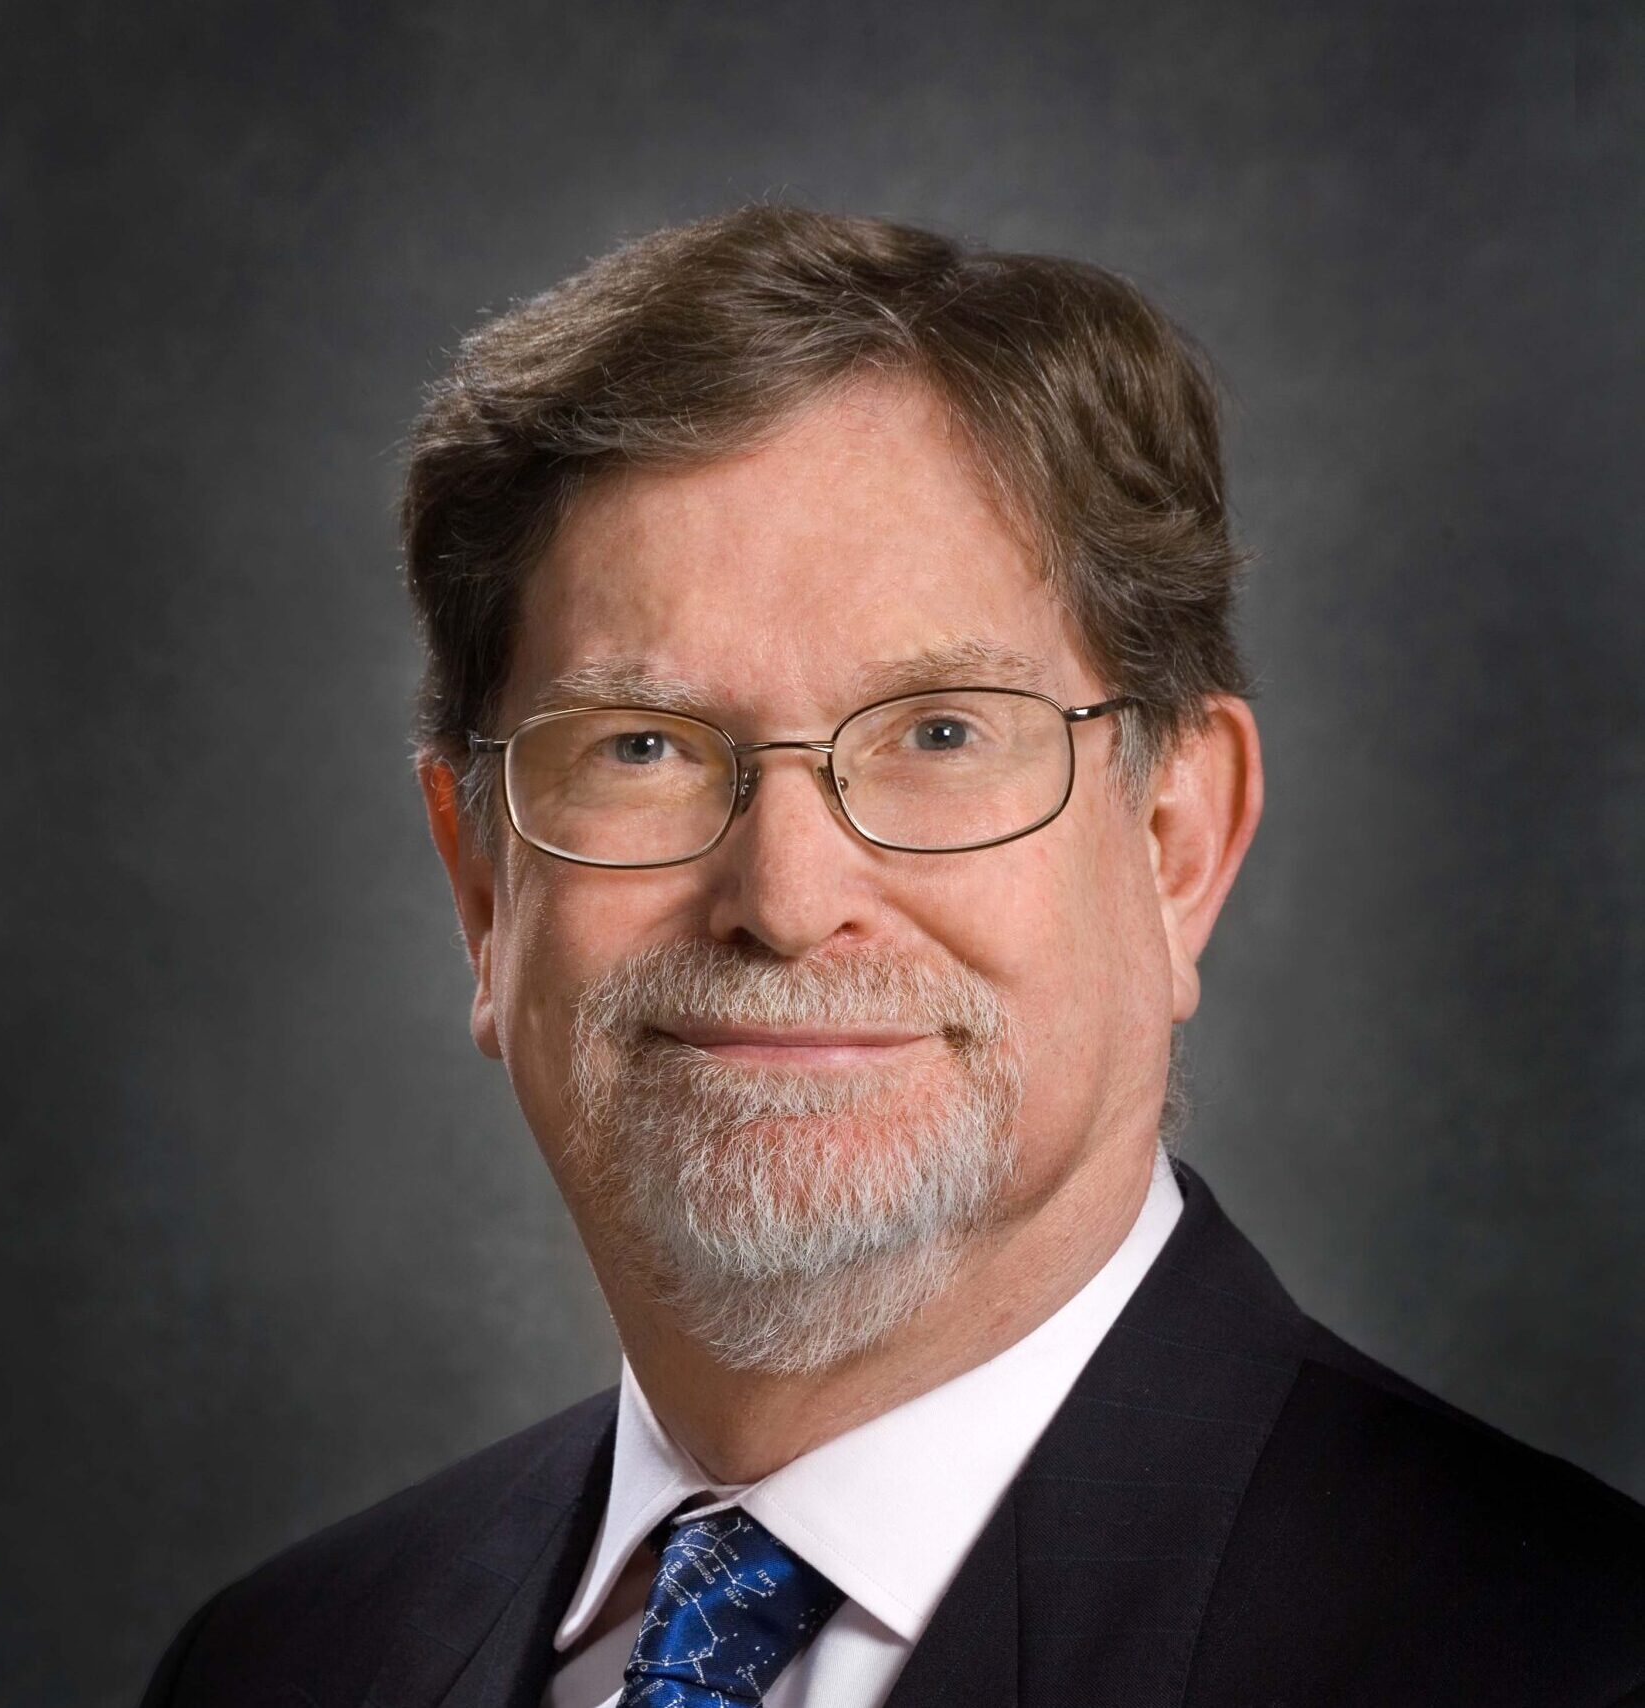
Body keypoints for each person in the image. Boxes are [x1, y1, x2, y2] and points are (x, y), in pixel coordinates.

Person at [141, 205, 1643, 1708]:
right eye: (644, 746)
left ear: (1173, 845)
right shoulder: (275, 1667)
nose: (787, 900)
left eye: (941, 733)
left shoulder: (1569, 1662)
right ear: (484, 889)